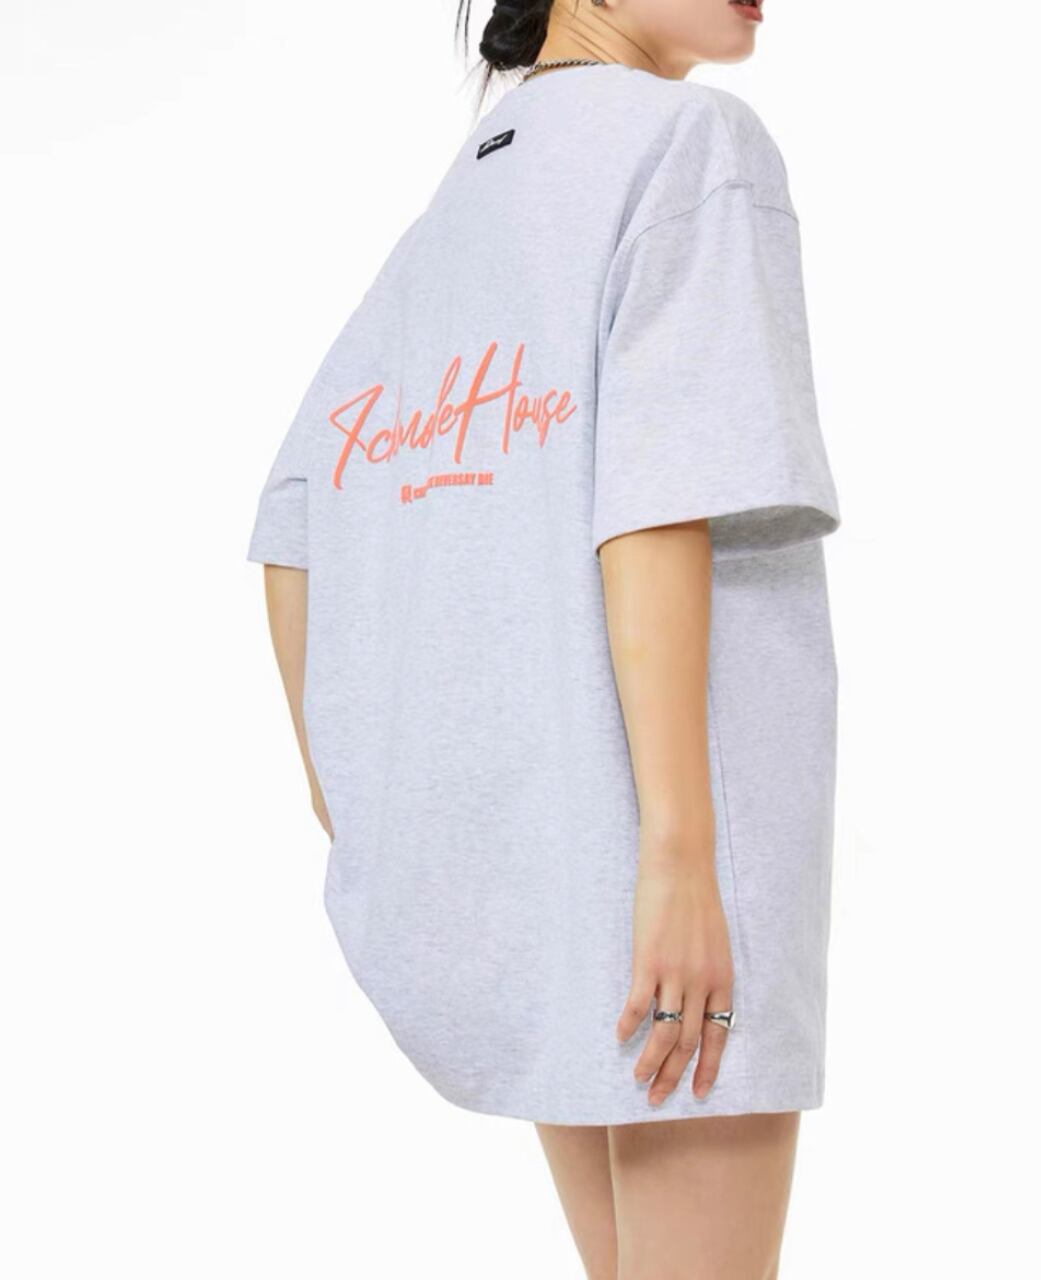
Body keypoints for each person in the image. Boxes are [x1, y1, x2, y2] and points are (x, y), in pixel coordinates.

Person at [245, 1, 841, 1274]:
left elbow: (294, 526)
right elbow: (654, 504)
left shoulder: (456, 209)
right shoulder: (690, 143)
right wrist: (679, 857)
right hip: (673, 878)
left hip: (549, 883)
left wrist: (353, 803)